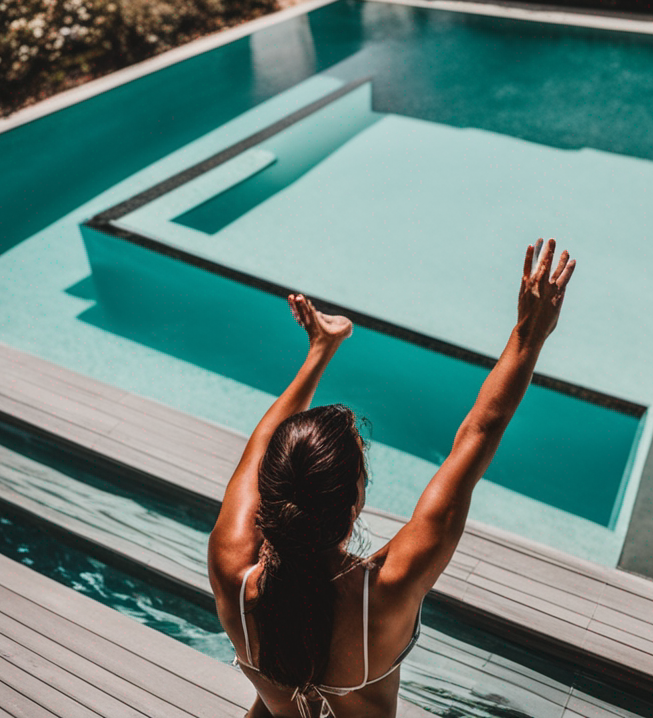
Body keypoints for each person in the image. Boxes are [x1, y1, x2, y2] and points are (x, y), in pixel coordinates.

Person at [208, 238, 576, 718]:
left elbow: (261, 442)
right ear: (354, 502)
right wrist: (530, 334)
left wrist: (320, 351)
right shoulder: (386, 590)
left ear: (270, 491)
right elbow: (479, 433)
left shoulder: (232, 569)